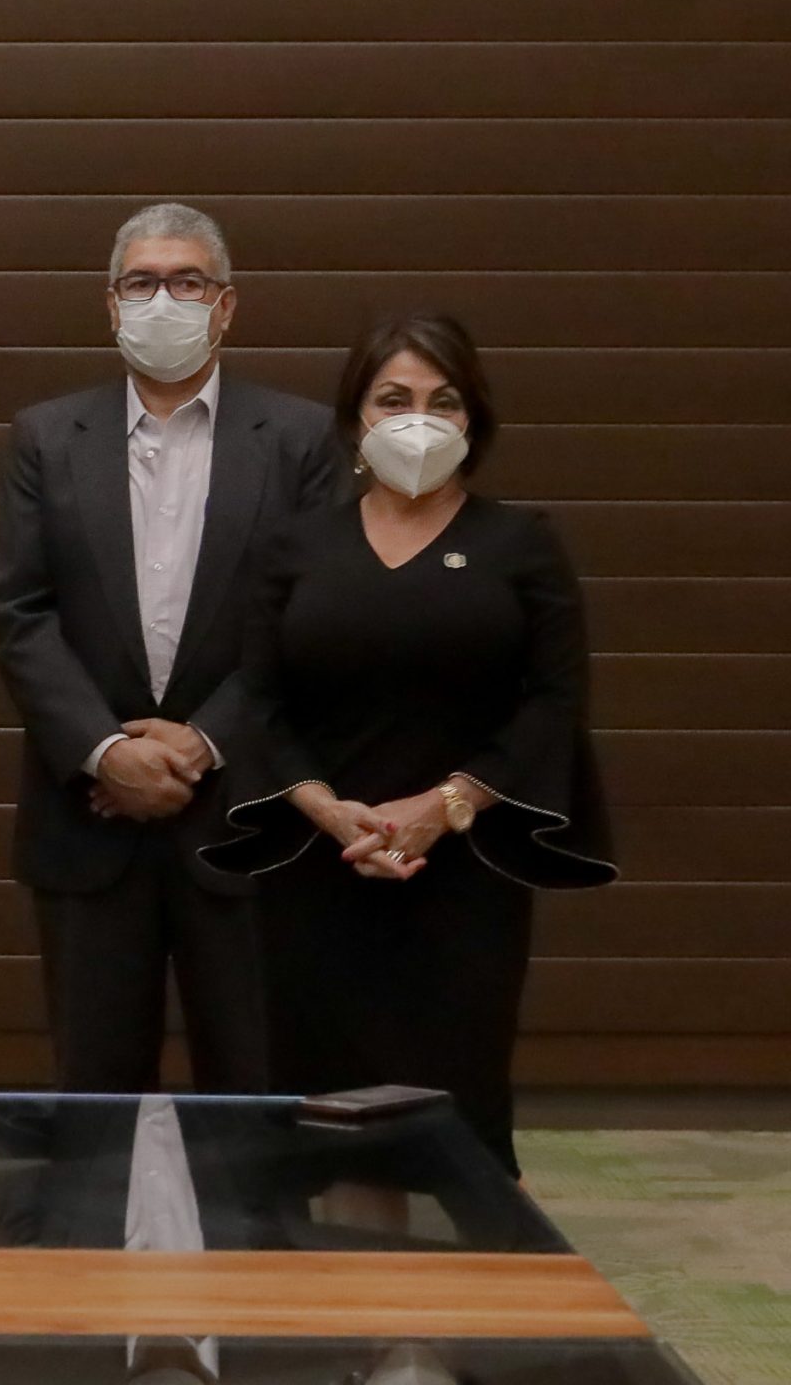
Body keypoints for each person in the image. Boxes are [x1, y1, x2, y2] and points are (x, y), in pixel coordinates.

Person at [204, 311, 617, 1173]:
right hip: (318, 868)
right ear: (356, 416)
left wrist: (445, 806)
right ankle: (343, 1254)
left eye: (443, 400)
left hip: (464, 871)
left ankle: (475, 1255)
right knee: (329, 1112)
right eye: (394, 399)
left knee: (458, 1106)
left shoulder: (522, 544)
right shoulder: (293, 547)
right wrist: (329, 811)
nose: (418, 420)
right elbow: (260, 701)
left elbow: (554, 701)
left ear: (474, 419)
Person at [0, 203, 345, 1096]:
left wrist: (202, 740)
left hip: (246, 815)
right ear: (111, 305)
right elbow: (18, 612)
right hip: (88, 820)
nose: (163, 301)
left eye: (187, 282)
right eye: (142, 283)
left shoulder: (300, 439)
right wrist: (107, 751)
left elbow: (313, 619)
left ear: (227, 305)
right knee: (97, 1100)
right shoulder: (46, 437)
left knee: (255, 1093)